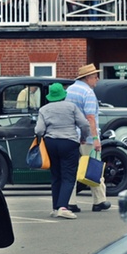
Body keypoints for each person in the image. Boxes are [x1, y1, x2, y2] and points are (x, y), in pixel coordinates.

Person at [35, 83, 89, 219]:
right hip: (69, 142)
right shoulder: (71, 107)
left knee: (56, 175)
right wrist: (83, 137)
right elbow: (84, 124)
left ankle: (55, 207)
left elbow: (39, 130)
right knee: (68, 176)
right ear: (63, 95)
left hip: (51, 143)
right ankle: (63, 207)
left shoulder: (44, 109)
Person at [65, 63, 111, 212]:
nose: (97, 79)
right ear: (87, 78)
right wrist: (96, 138)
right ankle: (99, 200)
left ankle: (70, 202)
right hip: (87, 137)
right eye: (95, 76)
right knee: (94, 167)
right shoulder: (88, 93)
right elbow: (90, 118)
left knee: (71, 170)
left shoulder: (69, 90)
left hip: (71, 135)